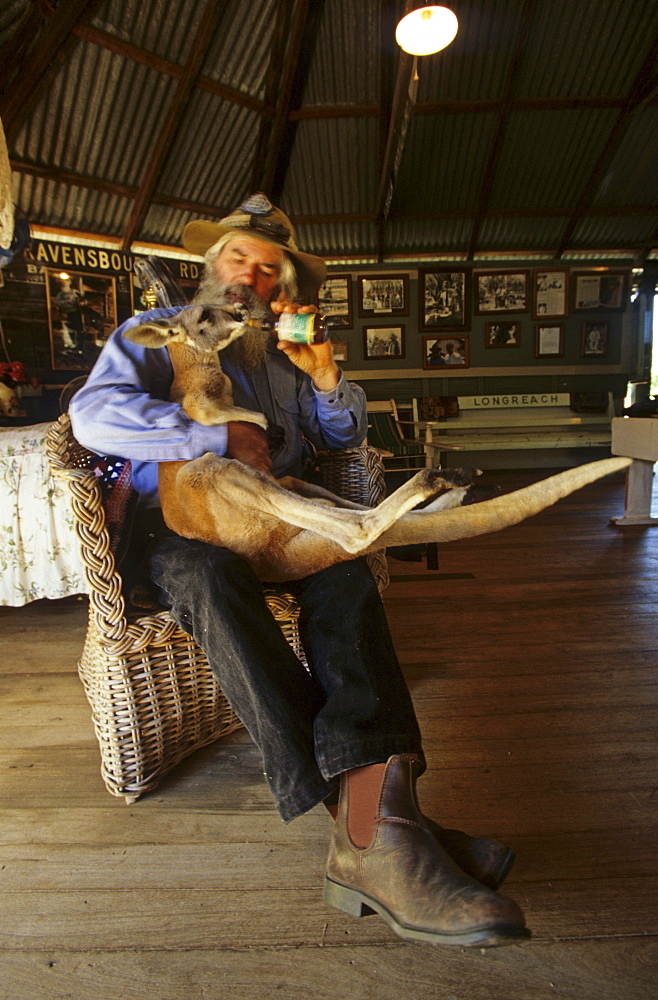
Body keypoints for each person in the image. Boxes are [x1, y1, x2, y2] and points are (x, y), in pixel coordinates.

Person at [70, 193, 529, 949]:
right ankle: (384, 831)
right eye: (237, 258)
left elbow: (341, 437)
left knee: (348, 575)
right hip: (187, 524)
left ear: (281, 283)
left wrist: (321, 380)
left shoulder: (276, 351)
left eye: (267, 267)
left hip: (283, 517)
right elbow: (93, 416)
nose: (250, 274)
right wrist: (203, 430)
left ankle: (381, 826)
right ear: (211, 265)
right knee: (210, 581)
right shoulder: (155, 335)